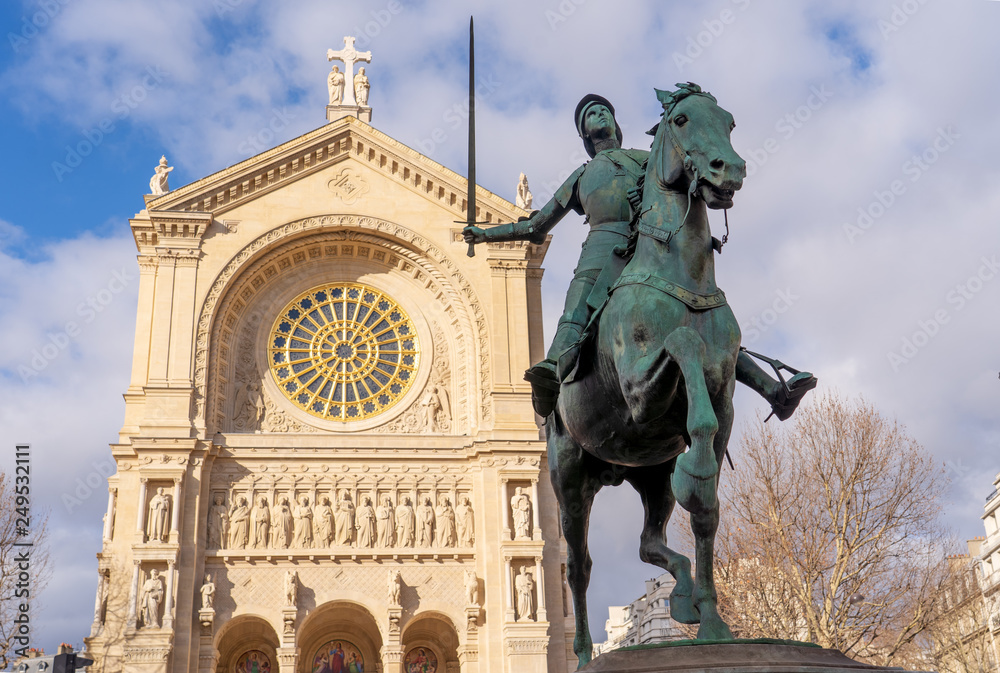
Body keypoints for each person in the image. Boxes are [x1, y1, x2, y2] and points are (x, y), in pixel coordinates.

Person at [464, 94, 816, 418]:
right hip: (601, 252)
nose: (598, 114)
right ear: (585, 135)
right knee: (575, 308)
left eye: (603, 110)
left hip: (653, 244)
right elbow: (536, 225)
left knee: (702, 317)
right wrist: (486, 233)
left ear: (616, 124)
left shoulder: (648, 160)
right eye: (589, 115)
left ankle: (774, 391)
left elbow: (684, 174)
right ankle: (552, 371)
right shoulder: (583, 174)